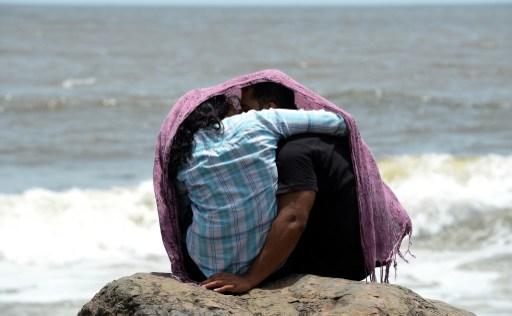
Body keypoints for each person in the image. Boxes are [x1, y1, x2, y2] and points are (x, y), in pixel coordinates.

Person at [168, 93, 347, 293]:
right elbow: (340, 122)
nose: (242, 112)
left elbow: (178, 210)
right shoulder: (260, 120)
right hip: (268, 262)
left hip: (203, 266)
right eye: (239, 109)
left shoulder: (184, 150)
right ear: (227, 112)